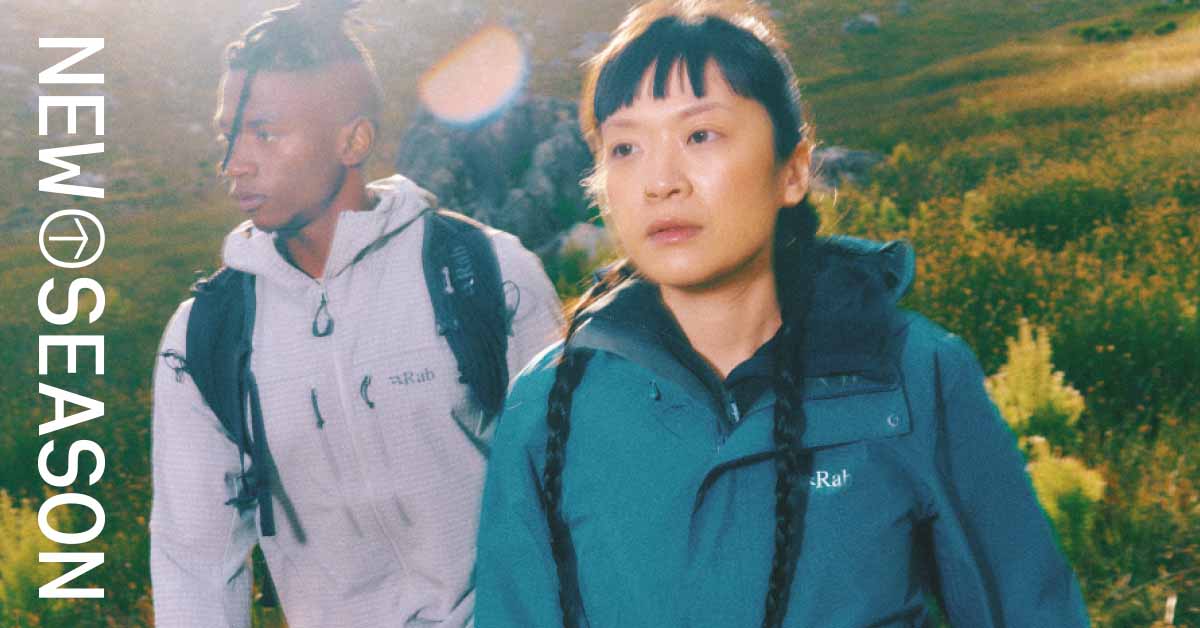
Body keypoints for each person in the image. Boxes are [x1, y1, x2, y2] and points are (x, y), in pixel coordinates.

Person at [474, 1, 1091, 627]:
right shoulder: (549, 405)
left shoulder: (917, 375)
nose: (660, 181)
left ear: (792, 171)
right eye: (626, 147)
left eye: (699, 135)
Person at [149, 1, 563, 626]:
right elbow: (194, 566)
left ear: (354, 140)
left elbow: (575, 497)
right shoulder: (205, 334)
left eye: (264, 131)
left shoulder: (487, 273)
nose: (232, 161)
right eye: (225, 136)